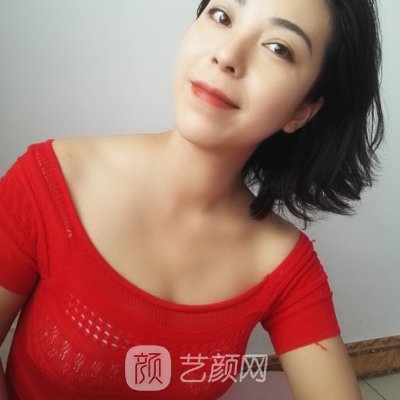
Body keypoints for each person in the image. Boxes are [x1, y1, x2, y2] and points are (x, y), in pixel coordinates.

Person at [0, 0, 383, 398]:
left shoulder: (283, 265)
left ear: (301, 111)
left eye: (278, 48)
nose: (227, 55)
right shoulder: (49, 181)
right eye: (222, 16)